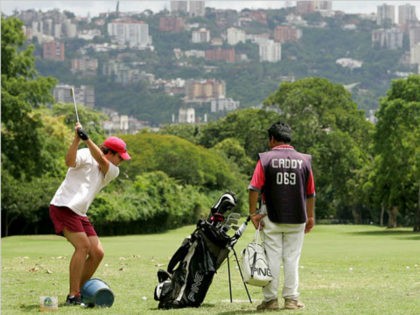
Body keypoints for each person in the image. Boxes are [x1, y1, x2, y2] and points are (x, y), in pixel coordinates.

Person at [49, 122, 131, 305]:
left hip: (79, 212)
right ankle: (73, 295)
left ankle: (80, 289)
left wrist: (87, 139)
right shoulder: (86, 153)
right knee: (83, 246)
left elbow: (101, 160)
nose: (122, 161)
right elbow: (69, 162)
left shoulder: (112, 170)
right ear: (111, 152)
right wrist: (77, 141)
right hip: (63, 205)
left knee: (98, 253)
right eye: (121, 157)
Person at [248, 121, 315, 311]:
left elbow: (254, 188)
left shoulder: (265, 159)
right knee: (292, 258)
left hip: (271, 216)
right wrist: (310, 217)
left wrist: (253, 213)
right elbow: (311, 193)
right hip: (298, 216)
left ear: (272, 139)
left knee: (272, 259)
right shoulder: (304, 160)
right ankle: (291, 300)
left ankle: (270, 300)